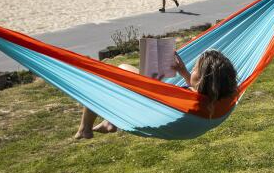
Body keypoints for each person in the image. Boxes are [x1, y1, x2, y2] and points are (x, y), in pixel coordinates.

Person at [76, 50, 238, 139]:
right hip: (168, 116)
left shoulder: (187, 99)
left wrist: (151, 79)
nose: (192, 70)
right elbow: (200, 89)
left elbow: (156, 95)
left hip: (148, 111)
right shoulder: (222, 97)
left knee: (108, 76)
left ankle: (85, 128)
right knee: (121, 76)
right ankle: (109, 122)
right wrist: (183, 72)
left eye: (195, 68)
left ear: (203, 78)